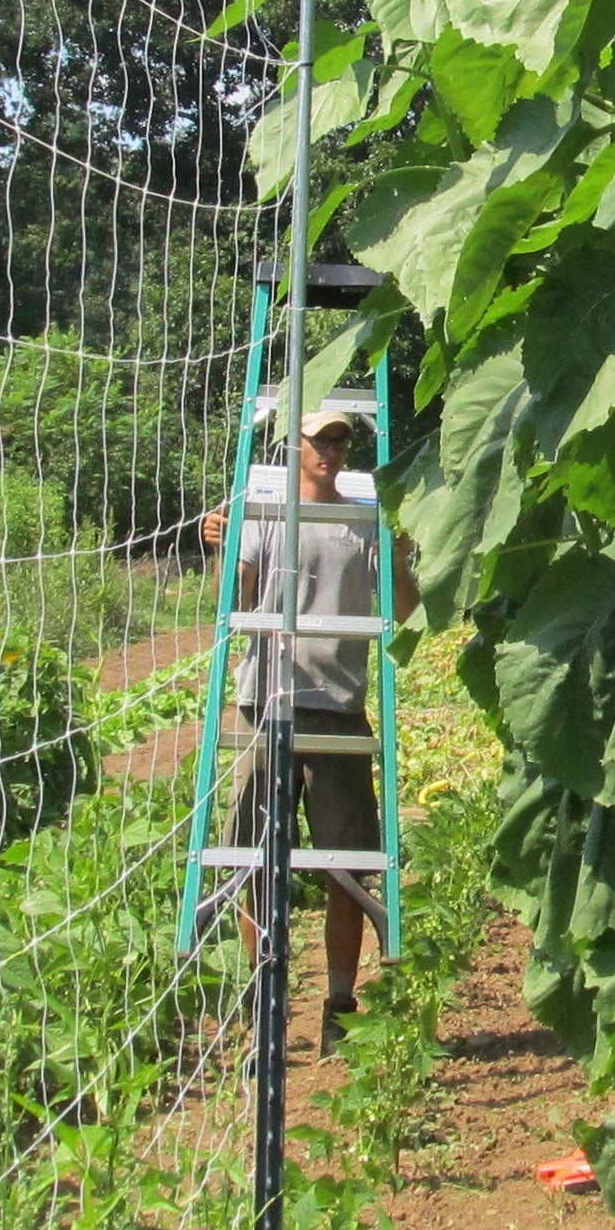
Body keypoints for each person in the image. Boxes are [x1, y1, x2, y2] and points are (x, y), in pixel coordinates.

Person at [200, 412, 385, 1051]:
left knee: (347, 866)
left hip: (338, 705)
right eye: (319, 441)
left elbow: (406, 607)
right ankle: (263, 1006)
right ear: (295, 447)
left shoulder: (364, 524)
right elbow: (243, 597)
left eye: (340, 441)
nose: (331, 451)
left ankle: (339, 1002)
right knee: (254, 858)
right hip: (266, 704)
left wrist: (407, 554)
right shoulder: (264, 516)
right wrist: (225, 547)